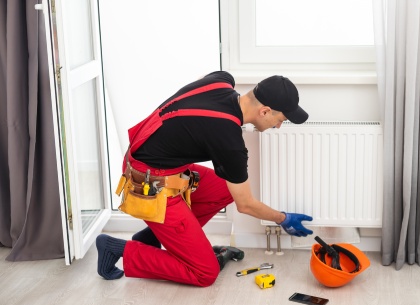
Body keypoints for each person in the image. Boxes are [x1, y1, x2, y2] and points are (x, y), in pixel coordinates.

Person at [96, 71, 314, 286]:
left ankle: (154, 238)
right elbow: (245, 204)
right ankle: (115, 248)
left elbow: (195, 110)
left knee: (224, 188)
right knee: (205, 272)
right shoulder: (229, 141)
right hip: (150, 181)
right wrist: (282, 218)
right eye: (280, 120)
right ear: (265, 111)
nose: (278, 126)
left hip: (161, 164)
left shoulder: (221, 80)